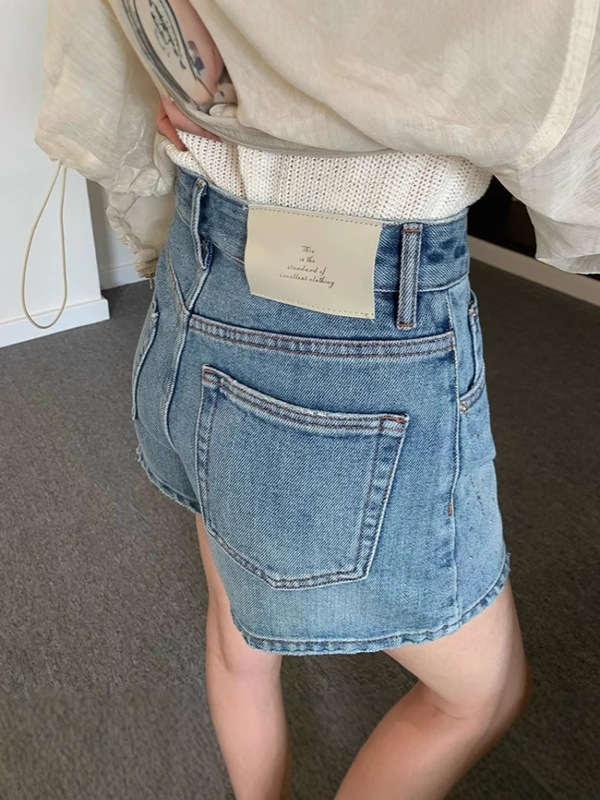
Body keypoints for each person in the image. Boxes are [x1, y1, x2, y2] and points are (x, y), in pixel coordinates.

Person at [35, 2, 600, 798]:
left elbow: (106, 50)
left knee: (238, 632)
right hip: (360, 307)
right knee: (483, 694)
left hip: (201, 261)